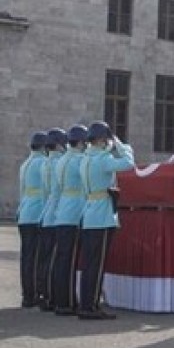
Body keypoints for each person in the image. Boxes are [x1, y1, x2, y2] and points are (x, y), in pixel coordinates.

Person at [77, 121, 136, 320]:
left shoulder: (85, 158)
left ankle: (86, 304)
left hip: (89, 213)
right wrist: (121, 145)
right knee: (97, 264)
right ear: (102, 140)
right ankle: (90, 306)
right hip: (101, 216)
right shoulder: (102, 158)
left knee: (89, 264)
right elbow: (129, 163)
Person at [50, 124, 89, 316]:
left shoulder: (61, 160)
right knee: (70, 261)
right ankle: (67, 303)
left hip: (62, 213)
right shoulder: (80, 160)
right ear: (81, 142)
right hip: (75, 213)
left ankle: (60, 300)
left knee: (63, 260)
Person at [37, 129, 67, 311]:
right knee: (54, 260)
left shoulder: (46, 163)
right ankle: (49, 296)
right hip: (56, 213)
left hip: (46, 212)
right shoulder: (58, 162)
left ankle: (44, 295)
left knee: (46, 259)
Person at [17, 131, 48, 308]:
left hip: (25, 213)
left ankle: (27, 294)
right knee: (37, 257)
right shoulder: (42, 163)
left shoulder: (25, 164)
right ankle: (35, 293)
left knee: (27, 257)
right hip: (37, 212)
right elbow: (45, 190)